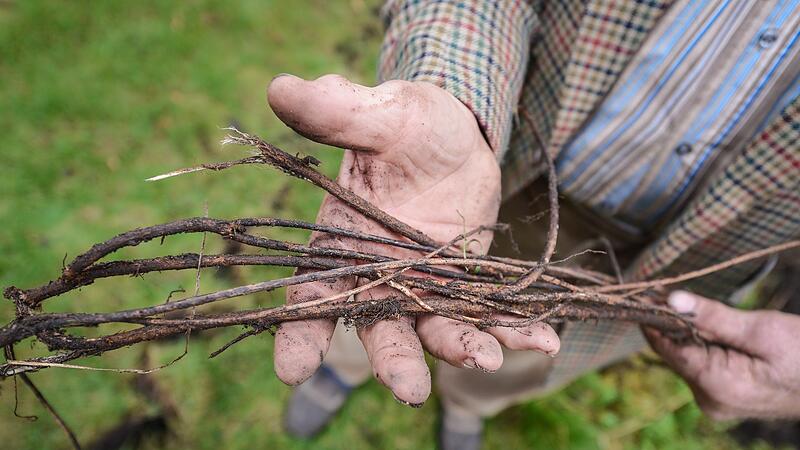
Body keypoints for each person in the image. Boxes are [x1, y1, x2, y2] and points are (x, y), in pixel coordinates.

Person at [265, 1, 800, 448]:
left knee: (522, 352)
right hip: (497, 160)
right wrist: (455, 92)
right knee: (382, 286)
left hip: (662, 259)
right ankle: (343, 368)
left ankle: (469, 404)